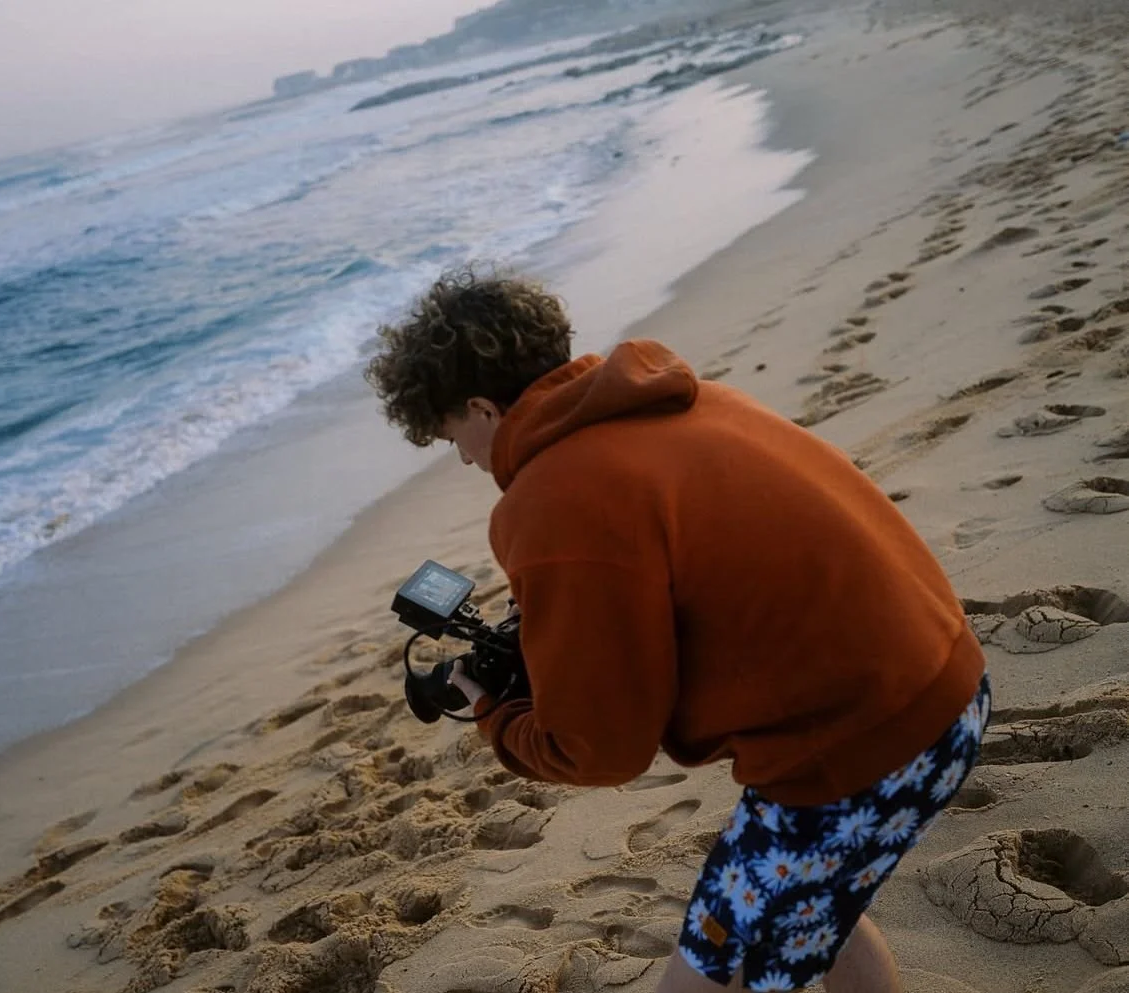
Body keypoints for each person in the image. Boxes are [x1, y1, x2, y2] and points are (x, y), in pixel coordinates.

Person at [364, 266, 990, 993]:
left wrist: (496, 713)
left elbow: (602, 747)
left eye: (453, 438)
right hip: (946, 691)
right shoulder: (679, 400)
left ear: (479, 406)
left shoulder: (554, 497)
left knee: (710, 966)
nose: (468, 458)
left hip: (856, 752)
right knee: (819, 912)